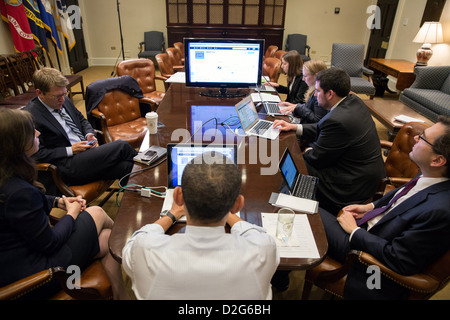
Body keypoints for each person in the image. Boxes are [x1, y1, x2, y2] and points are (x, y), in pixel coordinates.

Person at [0, 108, 128, 299]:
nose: (38, 133)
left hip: (20, 256)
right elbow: (50, 243)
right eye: (32, 131)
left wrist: (59, 201)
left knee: (107, 236)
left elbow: (26, 201)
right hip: (37, 273)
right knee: (97, 212)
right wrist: (72, 213)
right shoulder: (19, 191)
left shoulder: (7, 175)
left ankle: (120, 296)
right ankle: (133, 249)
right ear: (19, 144)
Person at [320, 116, 450, 299]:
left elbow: (399, 258)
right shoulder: (431, 175)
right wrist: (371, 206)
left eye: (423, 138)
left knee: (307, 212)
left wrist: (355, 232)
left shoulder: (440, 211)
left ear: (438, 160)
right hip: (370, 227)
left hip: (366, 256)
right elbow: (402, 194)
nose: (415, 138)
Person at [122, 152, 279, 300]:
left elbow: (140, 238)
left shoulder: (144, 251)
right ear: (238, 205)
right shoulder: (263, 250)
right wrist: (226, 207)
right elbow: (253, 234)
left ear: (178, 196)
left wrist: (172, 214)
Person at [274, 68, 385, 215]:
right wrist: (294, 127)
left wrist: (306, 150)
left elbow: (316, 159)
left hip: (353, 184)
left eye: (318, 91)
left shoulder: (337, 119)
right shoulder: (353, 100)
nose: (314, 94)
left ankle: (283, 210)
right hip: (364, 173)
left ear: (330, 93)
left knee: (300, 164)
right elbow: (322, 127)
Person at [25, 67, 137, 191]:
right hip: (66, 165)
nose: (62, 99)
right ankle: (153, 168)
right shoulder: (30, 116)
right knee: (121, 146)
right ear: (39, 93)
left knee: (127, 167)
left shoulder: (64, 100)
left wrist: (89, 133)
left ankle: (142, 199)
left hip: (85, 156)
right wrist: (71, 150)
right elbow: (37, 154)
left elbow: (82, 120)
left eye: (64, 93)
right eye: (57, 96)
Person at [277, 59, 329, 124]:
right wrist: (294, 106)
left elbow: (317, 120)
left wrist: (299, 108)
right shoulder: (313, 89)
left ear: (316, 76)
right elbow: (309, 107)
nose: (303, 79)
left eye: (305, 76)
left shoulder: (319, 94)